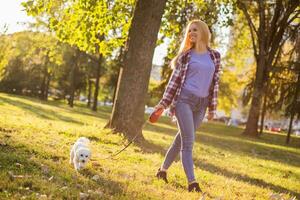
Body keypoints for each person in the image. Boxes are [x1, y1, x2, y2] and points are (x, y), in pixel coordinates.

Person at [154, 19, 222, 192]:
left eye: (195, 30)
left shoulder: (215, 56)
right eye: (190, 30)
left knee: (180, 141)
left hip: (202, 104)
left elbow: (215, 83)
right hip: (184, 101)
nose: (191, 33)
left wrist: (212, 108)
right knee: (188, 143)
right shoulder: (186, 56)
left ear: (204, 32)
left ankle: (162, 171)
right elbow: (174, 82)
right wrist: (164, 103)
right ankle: (192, 183)